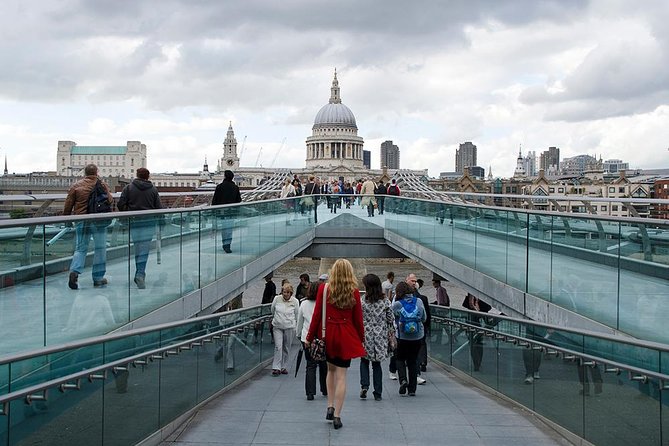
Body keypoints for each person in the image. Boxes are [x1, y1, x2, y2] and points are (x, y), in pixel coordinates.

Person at [306, 259, 366, 430]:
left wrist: (309, 337)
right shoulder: (353, 291)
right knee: (342, 376)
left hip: (328, 335)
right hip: (346, 336)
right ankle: (338, 415)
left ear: (332, 272)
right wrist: (361, 339)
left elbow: (317, 316)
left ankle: (329, 405)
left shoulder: (324, 290)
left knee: (330, 371)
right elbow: (358, 320)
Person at [63, 163, 113, 290]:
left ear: (85, 173)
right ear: (97, 172)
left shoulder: (76, 185)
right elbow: (110, 200)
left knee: (81, 248)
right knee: (100, 249)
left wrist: (67, 219)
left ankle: (75, 271)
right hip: (98, 221)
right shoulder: (102, 184)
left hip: (81, 220)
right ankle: (98, 278)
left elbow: (68, 204)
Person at [117, 167, 163, 289]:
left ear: (137, 175)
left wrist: (130, 212)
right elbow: (159, 208)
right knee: (144, 248)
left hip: (134, 222)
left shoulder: (128, 188)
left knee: (137, 246)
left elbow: (120, 204)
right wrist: (162, 222)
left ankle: (139, 272)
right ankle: (140, 273)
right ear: (148, 177)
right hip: (149, 222)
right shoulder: (153, 190)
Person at [359, 273, 394, 401]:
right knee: (377, 364)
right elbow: (390, 318)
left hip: (365, 334)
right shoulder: (385, 301)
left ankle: (364, 385)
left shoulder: (362, 301)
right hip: (380, 336)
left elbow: (358, 318)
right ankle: (378, 392)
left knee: (364, 361)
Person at [392, 281, 426, 396]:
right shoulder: (419, 301)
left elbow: (391, 317)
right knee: (412, 361)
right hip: (417, 336)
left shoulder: (397, 304)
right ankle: (412, 390)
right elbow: (424, 318)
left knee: (400, 359)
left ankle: (403, 380)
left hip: (402, 336)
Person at [297, 282, 327, 400]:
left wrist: (299, 335)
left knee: (310, 365)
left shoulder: (304, 304)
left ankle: (310, 392)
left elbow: (300, 322)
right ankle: (324, 388)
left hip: (307, 338)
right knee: (324, 364)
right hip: (322, 338)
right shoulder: (325, 304)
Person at [271, 283, 299, 376]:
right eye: (284, 292)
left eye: (287, 292)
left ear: (291, 293)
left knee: (286, 347)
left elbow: (297, 314)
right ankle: (276, 367)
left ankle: (284, 366)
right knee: (278, 346)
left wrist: (297, 327)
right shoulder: (277, 299)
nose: (285, 294)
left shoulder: (295, 301)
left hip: (289, 327)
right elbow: (272, 310)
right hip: (277, 326)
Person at [211, 170, 242, 253]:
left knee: (224, 229)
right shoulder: (235, 187)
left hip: (221, 212)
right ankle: (227, 245)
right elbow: (239, 200)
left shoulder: (219, 187)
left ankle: (225, 244)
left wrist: (214, 211)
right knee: (229, 229)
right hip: (231, 212)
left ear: (224, 176)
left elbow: (214, 201)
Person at [462, 293, 491, 371]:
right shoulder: (471, 296)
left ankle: (477, 363)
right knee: (474, 343)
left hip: (476, 323)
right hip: (472, 322)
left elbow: (487, 308)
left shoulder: (481, 298)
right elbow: (465, 305)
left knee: (477, 343)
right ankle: (476, 363)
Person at [381, 271, 398, 380]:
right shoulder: (390, 285)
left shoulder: (383, 283)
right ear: (391, 277)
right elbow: (390, 297)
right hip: (387, 305)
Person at [415, 278, 431, 382]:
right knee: (422, 343)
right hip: (422, 325)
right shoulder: (423, 298)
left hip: (410, 327)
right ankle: (423, 362)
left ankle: (414, 362)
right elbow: (427, 314)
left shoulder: (405, 299)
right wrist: (427, 325)